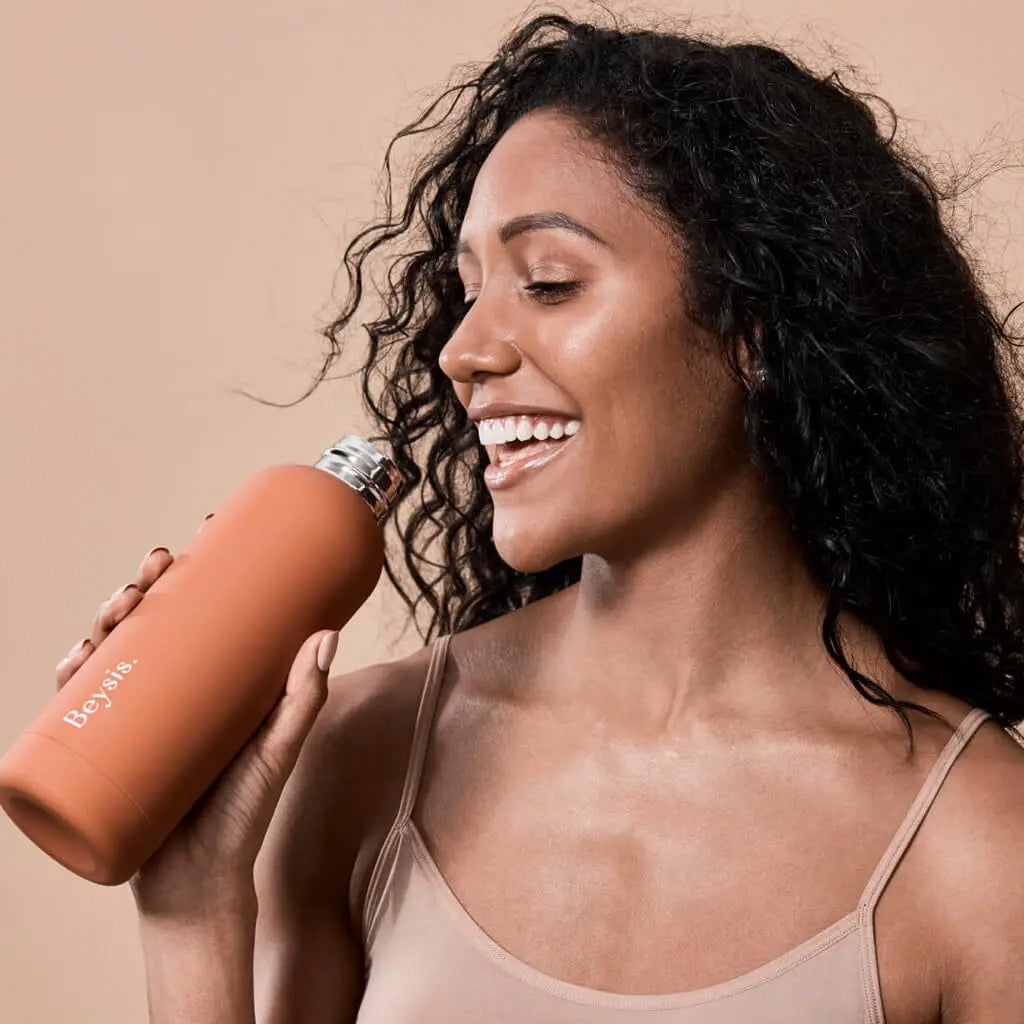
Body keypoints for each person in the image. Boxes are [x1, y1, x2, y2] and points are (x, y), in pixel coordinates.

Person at [56, 10, 1024, 1023]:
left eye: (549, 284)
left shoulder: (975, 847)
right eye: (465, 291)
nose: (462, 351)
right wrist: (191, 908)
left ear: (752, 326)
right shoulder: (366, 755)